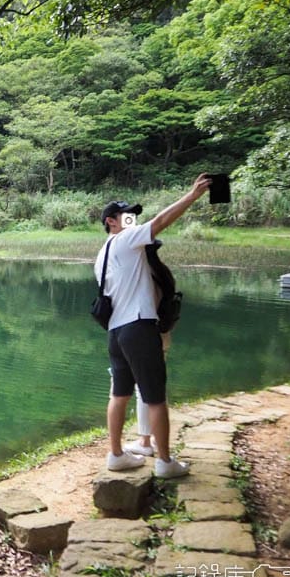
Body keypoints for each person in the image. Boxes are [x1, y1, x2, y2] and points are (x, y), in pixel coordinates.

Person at [95, 173, 212, 478]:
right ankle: (165, 462)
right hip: (139, 327)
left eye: (133, 216)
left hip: (116, 332)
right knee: (155, 397)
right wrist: (192, 195)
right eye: (126, 216)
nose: (132, 219)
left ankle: (116, 455)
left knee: (119, 394)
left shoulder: (102, 254)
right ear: (111, 221)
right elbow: (160, 221)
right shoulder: (126, 239)